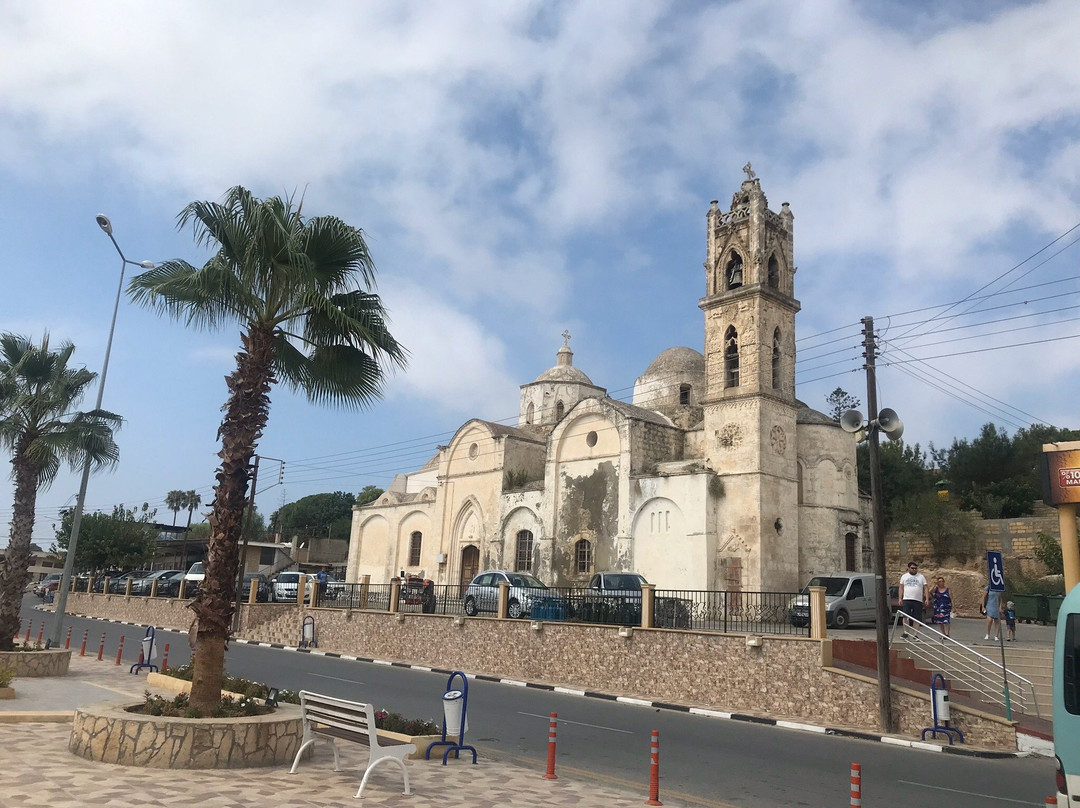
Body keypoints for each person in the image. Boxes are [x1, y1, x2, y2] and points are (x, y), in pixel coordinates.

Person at [898, 561, 929, 637]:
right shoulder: (904, 576)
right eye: (912, 568)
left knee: (917, 617)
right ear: (908, 568)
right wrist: (900, 598)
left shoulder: (921, 577)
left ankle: (915, 634)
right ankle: (906, 632)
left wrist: (927, 598)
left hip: (917, 600)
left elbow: (925, 588)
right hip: (907, 599)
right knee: (905, 616)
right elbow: (901, 587)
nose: (914, 570)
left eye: (915, 568)